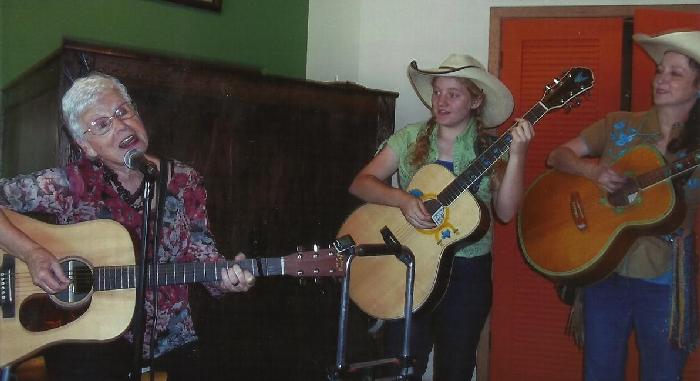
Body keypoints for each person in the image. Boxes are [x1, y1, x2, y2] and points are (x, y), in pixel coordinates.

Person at [0, 72, 255, 380]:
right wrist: (31, 253)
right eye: (102, 124)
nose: (121, 125)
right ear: (86, 146)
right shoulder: (70, 184)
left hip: (171, 336)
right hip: (88, 331)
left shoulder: (184, 181)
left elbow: (202, 254)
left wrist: (227, 280)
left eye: (123, 111)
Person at [348, 53, 534, 380]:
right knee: (400, 366)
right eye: (437, 92)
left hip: (467, 272)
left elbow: (505, 213)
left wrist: (517, 156)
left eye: (454, 94)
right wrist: (402, 200)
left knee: (456, 367)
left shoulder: (490, 148)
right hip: (410, 262)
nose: (441, 101)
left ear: (475, 101)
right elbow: (361, 184)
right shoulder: (409, 138)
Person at [547, 30, 700, 380]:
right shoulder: (620, 125)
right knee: (600, 371)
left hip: (664, 275)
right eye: (660, 70)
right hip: (604, 268)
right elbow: (559, 156)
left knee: (662, 373)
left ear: (698, 86)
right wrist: (592, 170)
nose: (660, 79)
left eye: (675, 73)